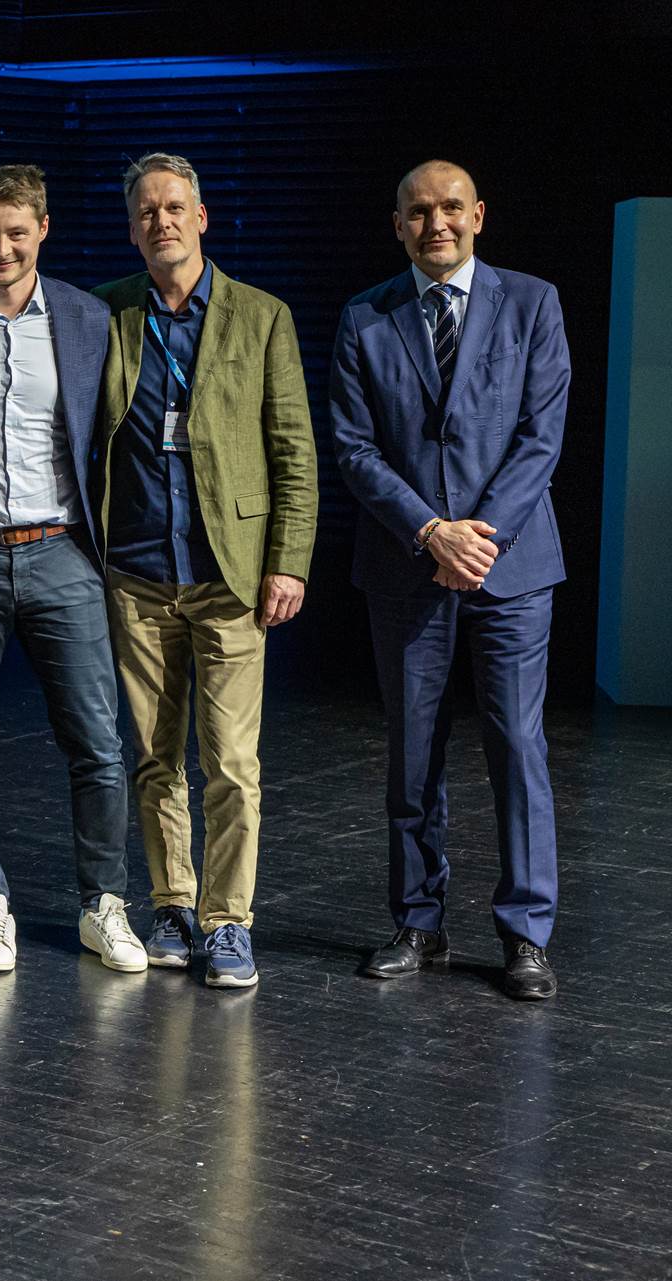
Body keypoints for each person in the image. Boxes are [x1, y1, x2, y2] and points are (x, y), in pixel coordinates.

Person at [330, 161, 570, 1001]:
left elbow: (541, 437)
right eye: (420, 211)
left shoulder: (533, 303)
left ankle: (526, 936)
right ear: (398, 225)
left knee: (515, 745)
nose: (438, 223)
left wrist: (476, 539)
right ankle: (419, 923)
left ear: (479, 215)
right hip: (407, 563)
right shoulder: (365, 314)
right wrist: (430, 530)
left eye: (452, 208)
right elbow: (353, 446)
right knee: (412, 752)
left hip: (511, 569)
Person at [94, 153, 318, 990]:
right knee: (154, 758)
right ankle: (173, 903)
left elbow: (294, 450)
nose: (162, 221)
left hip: (231, 576)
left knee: (229, 761)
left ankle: (230, 922)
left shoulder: (262, 316)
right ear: (132, 227)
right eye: (147, 211)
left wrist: (288, 561)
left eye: (175, 207)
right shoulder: (111, 312)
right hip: (139, 572)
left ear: (203, 217)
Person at [0, 165, 139, 977]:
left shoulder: (87, 316)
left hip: (60, 552)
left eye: (16, 232)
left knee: (97, 742)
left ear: (43, 228)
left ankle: (104, 903)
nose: (1, 248)